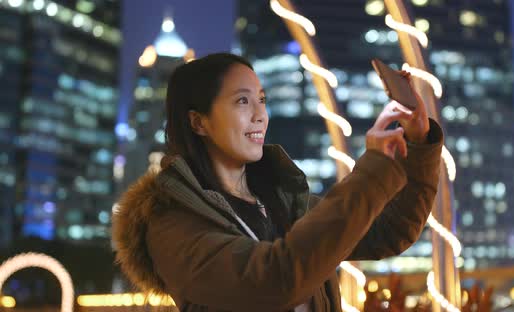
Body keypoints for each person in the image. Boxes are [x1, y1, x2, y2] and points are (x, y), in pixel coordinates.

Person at [112, 53, 444, 312]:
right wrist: (374, 168)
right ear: (198, 122)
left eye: (262, 100)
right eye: (243, 101)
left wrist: (419, 143)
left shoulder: (282, 202)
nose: (260, 115)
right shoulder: (172, 223)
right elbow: (276, 279)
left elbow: (391, 231)